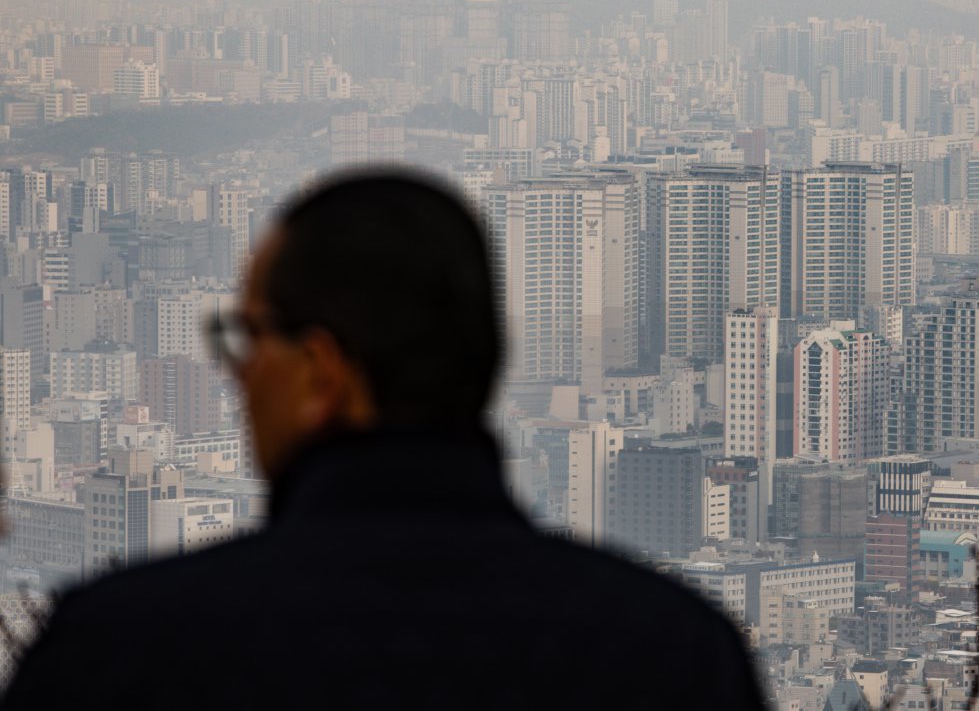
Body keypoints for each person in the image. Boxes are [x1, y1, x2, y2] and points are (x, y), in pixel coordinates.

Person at [2, 167, 764, 710]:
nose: (236, 375)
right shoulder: (676, 655)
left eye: (250, 337)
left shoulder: (123, 650)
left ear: (322, 373)